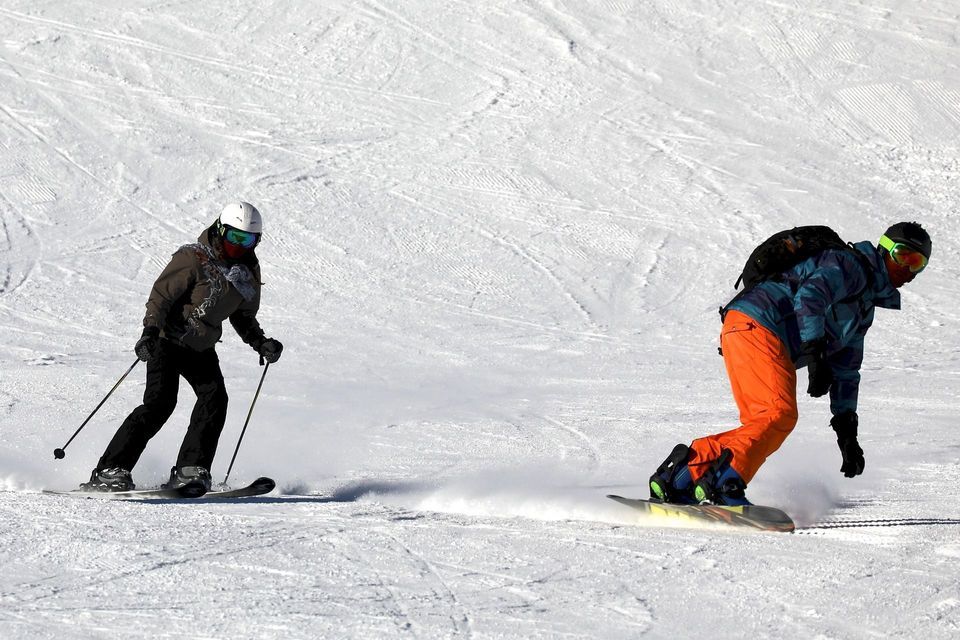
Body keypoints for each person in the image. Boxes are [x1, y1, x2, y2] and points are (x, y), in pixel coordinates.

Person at [648, 222, 932, 505]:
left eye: (918, 263)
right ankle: (724, 484)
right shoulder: (850, 266)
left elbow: (847, 369)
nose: (908, 269)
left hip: (745, 329)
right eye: (903, 256)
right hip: (759, 324)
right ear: (884, 250)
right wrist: (815, 351)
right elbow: (811, 296)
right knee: (779, 415)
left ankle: (682, 476)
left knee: (764, 423)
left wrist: (847, 433)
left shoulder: (863, 307)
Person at [82, 202, 284, 492]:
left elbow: (243, 315)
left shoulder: (247, 271)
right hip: (167, 340)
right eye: (235, 237)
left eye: (248, 240)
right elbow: (161, 296)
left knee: (215, 400)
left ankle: (191, 469)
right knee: (160, 404)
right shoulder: (193, 258)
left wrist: (260, 342)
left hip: (200, 346)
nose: (240, 246)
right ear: (220, 230)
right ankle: (110, 470)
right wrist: (149, 331)